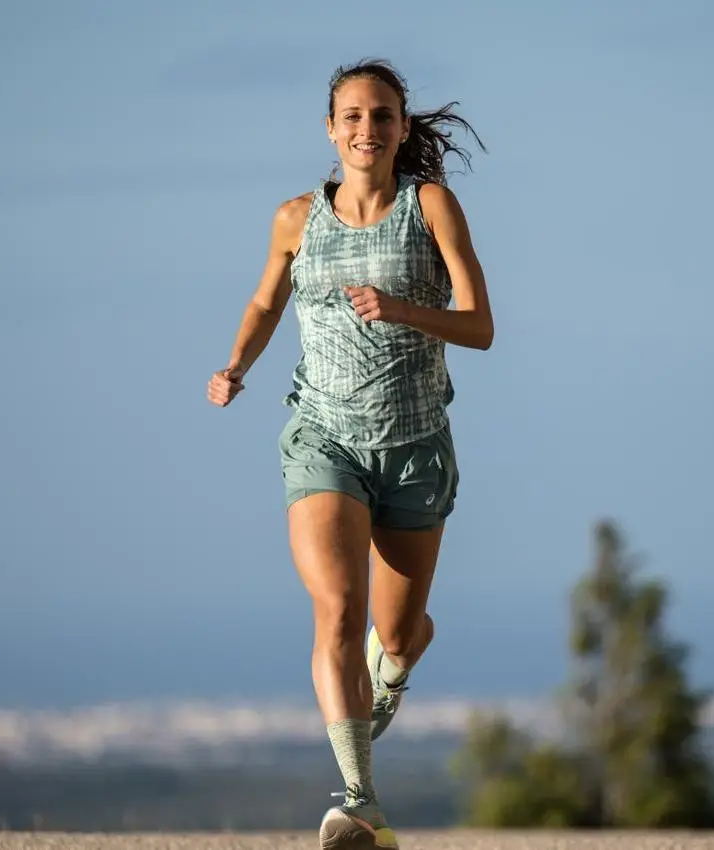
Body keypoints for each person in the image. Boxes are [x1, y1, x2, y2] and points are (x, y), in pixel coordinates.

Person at [207, 58, 492, 850]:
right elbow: (267, 300)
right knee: (337, 608)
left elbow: (480, 325)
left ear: (403, 129)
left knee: (396, 636)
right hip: (323, 436)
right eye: (354, 116)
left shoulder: (430, 206)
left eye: (383, 115)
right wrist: (235, 365)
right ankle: (359, 802)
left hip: (414, 448)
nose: (368, 128)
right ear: (331, 130)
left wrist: (403, 309)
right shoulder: (296, 218)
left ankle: (396, 665)